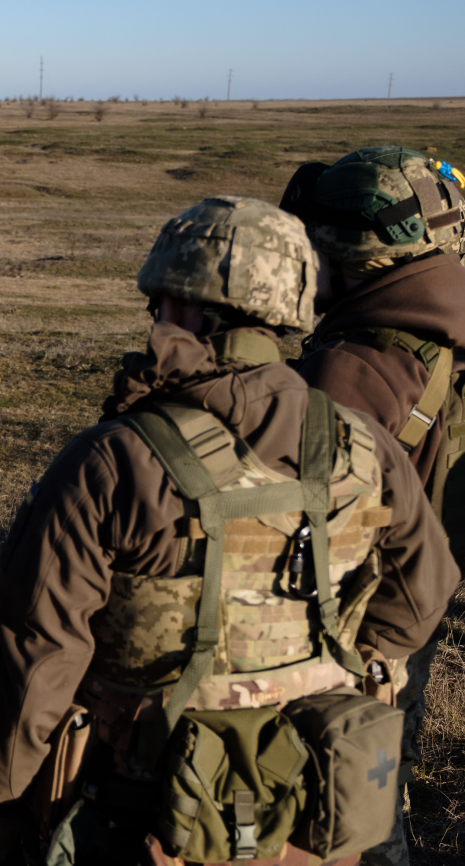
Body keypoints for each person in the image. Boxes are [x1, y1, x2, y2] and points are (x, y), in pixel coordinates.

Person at [0, 196, 459, 866]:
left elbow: (33, 668)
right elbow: (424, 595)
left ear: (186, 309)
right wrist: (321, 669)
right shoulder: (364, 444)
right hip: (315, 809)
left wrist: (4, 813)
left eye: (161, 302)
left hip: (143, 814)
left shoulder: (113, 461)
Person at [281, 146, 465, 866]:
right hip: (415, 602)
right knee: (385, 763)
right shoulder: (442, 321)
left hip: (357, 623)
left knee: (340, 805)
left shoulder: (357, 364)